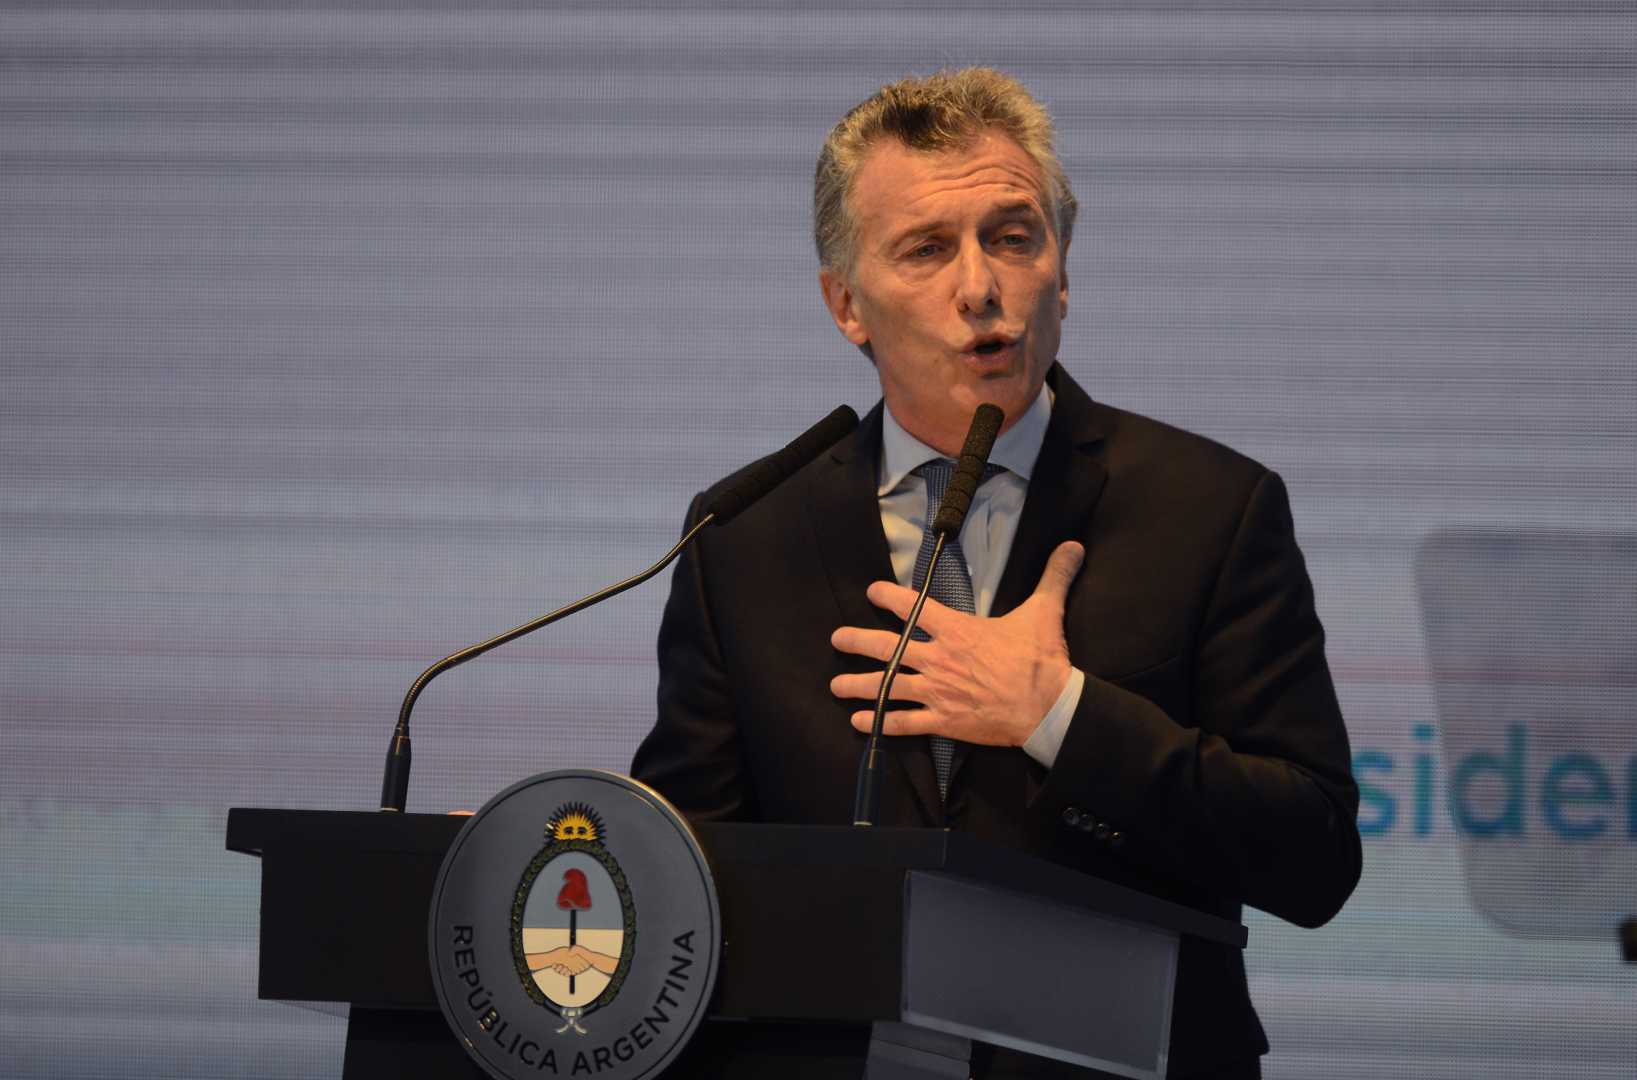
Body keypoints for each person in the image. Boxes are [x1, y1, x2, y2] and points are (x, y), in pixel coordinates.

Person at [632, 67, 1361, 1079]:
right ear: (846, 304)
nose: (980, 285)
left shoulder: (1209, 509)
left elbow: (1313, 858)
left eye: (1013, 238)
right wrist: (557, 859)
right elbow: (690, 860)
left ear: (1060, 273)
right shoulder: (744, 533)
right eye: (926, 249)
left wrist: (1057, 716)